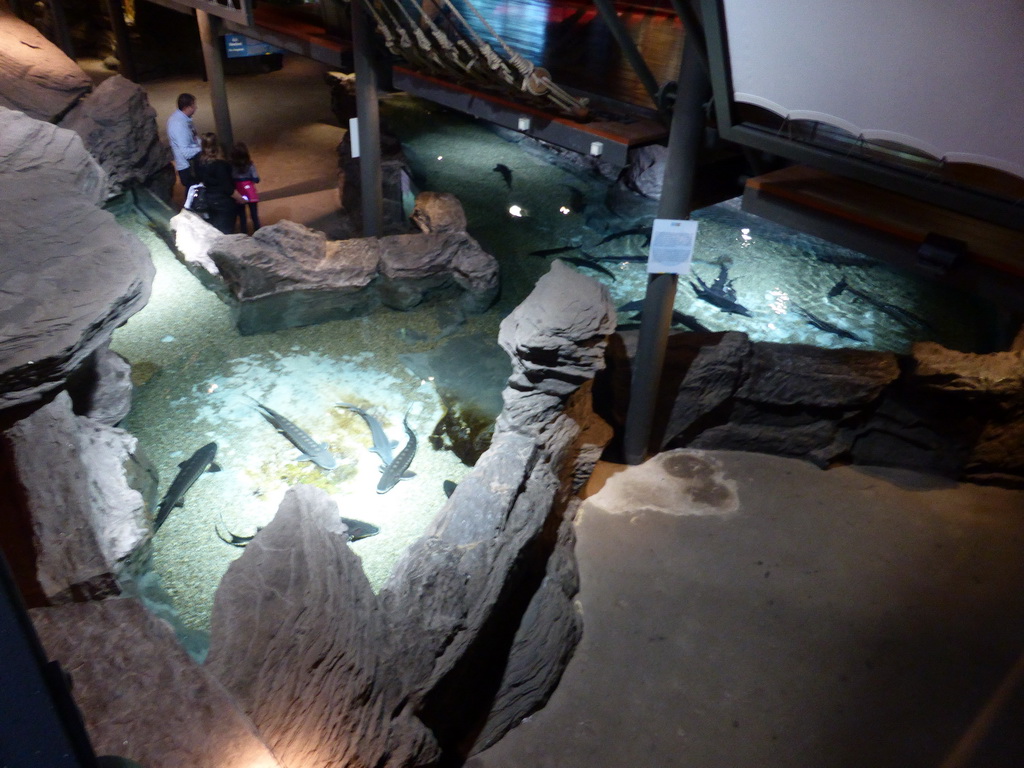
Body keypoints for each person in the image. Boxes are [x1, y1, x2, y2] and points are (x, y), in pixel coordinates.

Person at [193, 132, 244, 235]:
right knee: (226, 231)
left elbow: (197, 178)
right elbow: (227, 188)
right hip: (223, 202)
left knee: (214, 229)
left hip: (208, 199)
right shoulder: (220, 165)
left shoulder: (198, 160)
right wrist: (240, 198)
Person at [167, 93, 201, 191]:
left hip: (191, 166)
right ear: (187, 107)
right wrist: (202, 148)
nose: (196, 107)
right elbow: (186, 152)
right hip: (189, 169)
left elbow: (194, 138)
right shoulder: (179, 124)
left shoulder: (185, 119)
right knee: (193, 196)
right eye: (193, 105)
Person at [230, 142, 262, 234]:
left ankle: (244, 235)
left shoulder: (232, 166)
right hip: (250, 192)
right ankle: (259, 233)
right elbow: (256, 179)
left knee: (242, 217)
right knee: (254, 216)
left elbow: (231, 178)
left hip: (239, 193)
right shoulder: (250, 165)